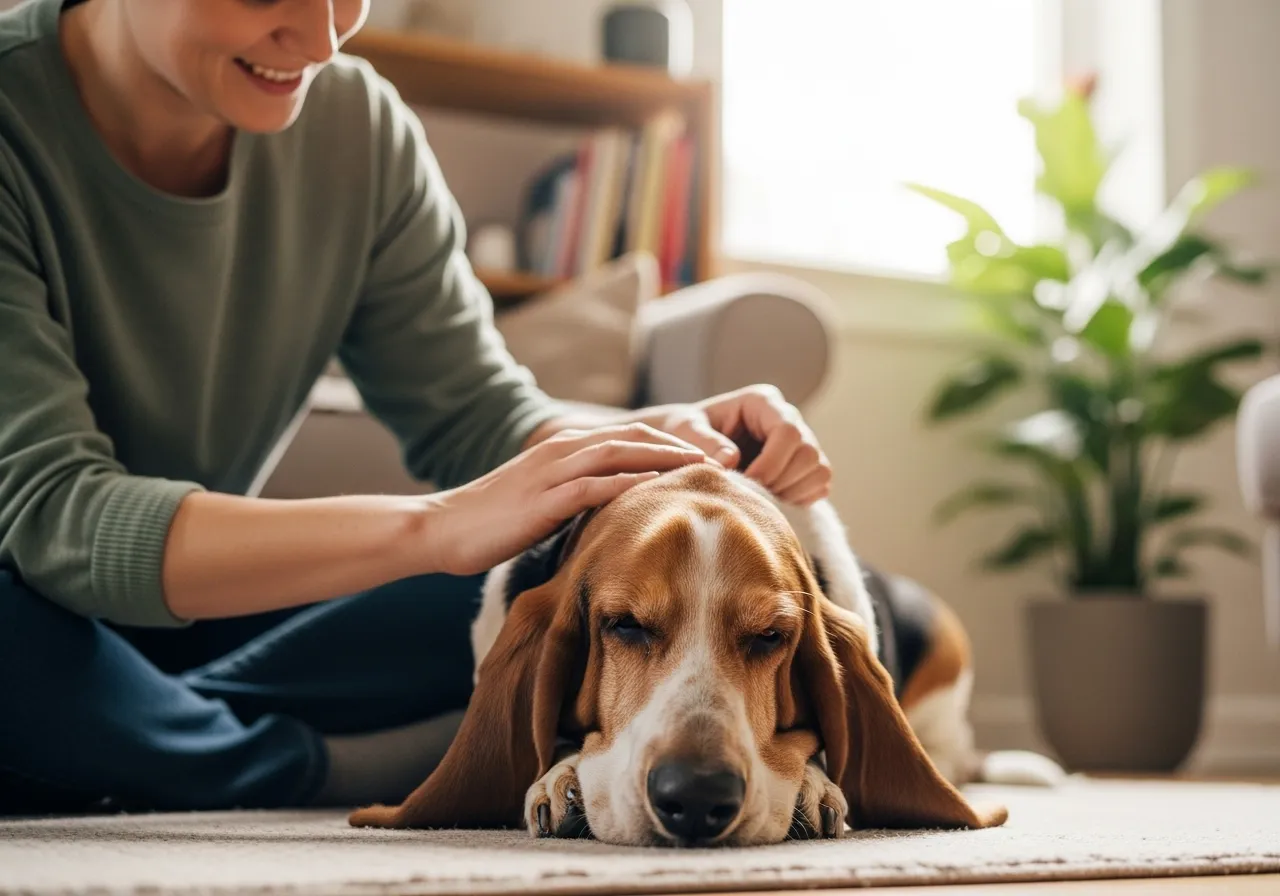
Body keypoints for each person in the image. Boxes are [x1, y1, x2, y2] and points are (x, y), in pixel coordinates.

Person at [0, 0, 832, 816]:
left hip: (196, 612)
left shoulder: (355, 126)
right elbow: (55, 515)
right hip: (27, 599)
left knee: (527, 589)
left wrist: (642, 453)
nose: (322, 35)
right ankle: (276, 761)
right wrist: (435, 525)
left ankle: (123, 732)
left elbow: (474, 412)